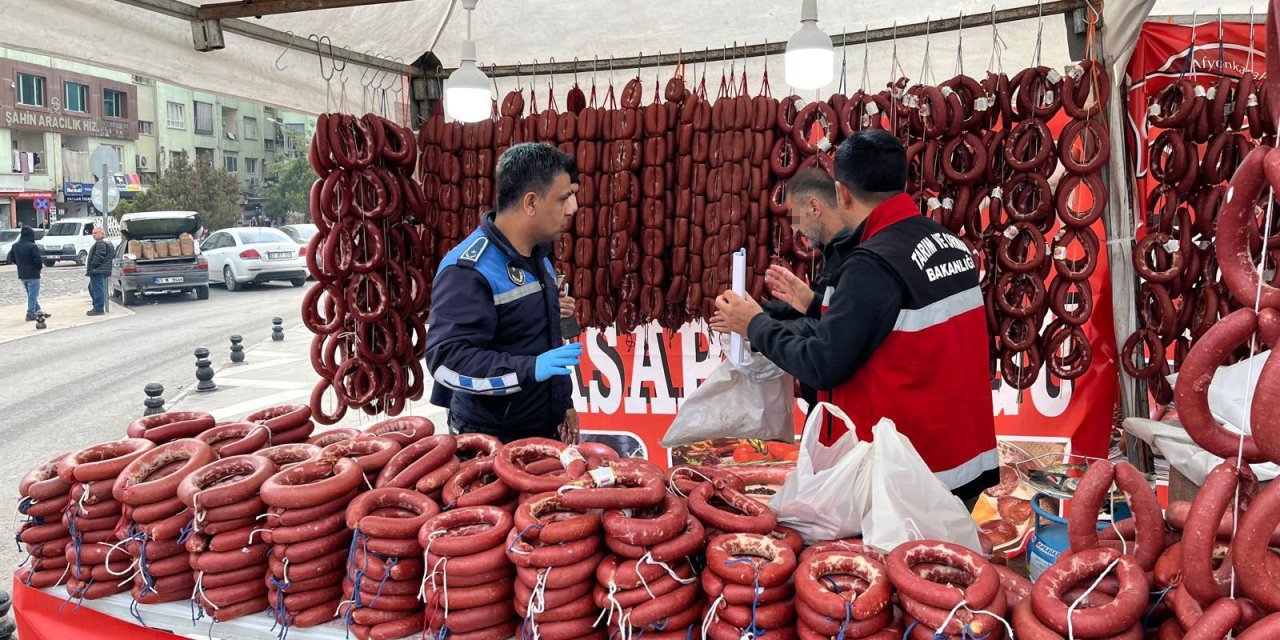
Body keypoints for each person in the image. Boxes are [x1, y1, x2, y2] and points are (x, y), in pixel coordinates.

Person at [711, 131, 998, 505]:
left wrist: (754, 324)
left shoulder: (873, 262)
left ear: (841, 193)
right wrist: (815, 304)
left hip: (911, 479)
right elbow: (888, 325)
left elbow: (823, 364)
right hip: (961, 463)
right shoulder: (949, 244)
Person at [426, 143, 583, 444]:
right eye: (564, 198)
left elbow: (544, 341)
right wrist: (529, 369)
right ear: (531, 203)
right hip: (488, 438)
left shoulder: (540, 258)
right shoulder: (469, 270)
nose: (573, 208)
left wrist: (564, 403)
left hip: (541, 427)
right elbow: (446, 363)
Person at [758, 168, 855, 409]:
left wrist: (755, 326)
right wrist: (767, 312)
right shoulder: (834, 252)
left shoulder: (855, 258)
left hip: (843, 409)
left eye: (794, 216)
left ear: (814, 207)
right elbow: (824, 310)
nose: (793, 229)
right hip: (828, 404)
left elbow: (830, 331)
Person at [12, 226, 46, 321]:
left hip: (22, 274)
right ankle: (30, 313)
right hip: (33, 274)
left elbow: (12, 258)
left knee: (31, 294)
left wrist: (20, 264)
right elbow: (38, 261)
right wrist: (39, 268)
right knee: (33, 294)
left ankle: (38, 311)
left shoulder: (15, 246)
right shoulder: (32, 246)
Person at [85, 226, 113, 316]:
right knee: (92, 288)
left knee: (97, 289)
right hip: (101, 269)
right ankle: (96, 307)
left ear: (102, 233)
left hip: (98, 270)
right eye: (93, 233)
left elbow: (99, 256)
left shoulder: (101, 243)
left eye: (96, 233)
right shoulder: (106, 242)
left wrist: (92, 266)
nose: (93, 235)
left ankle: (98, 308)